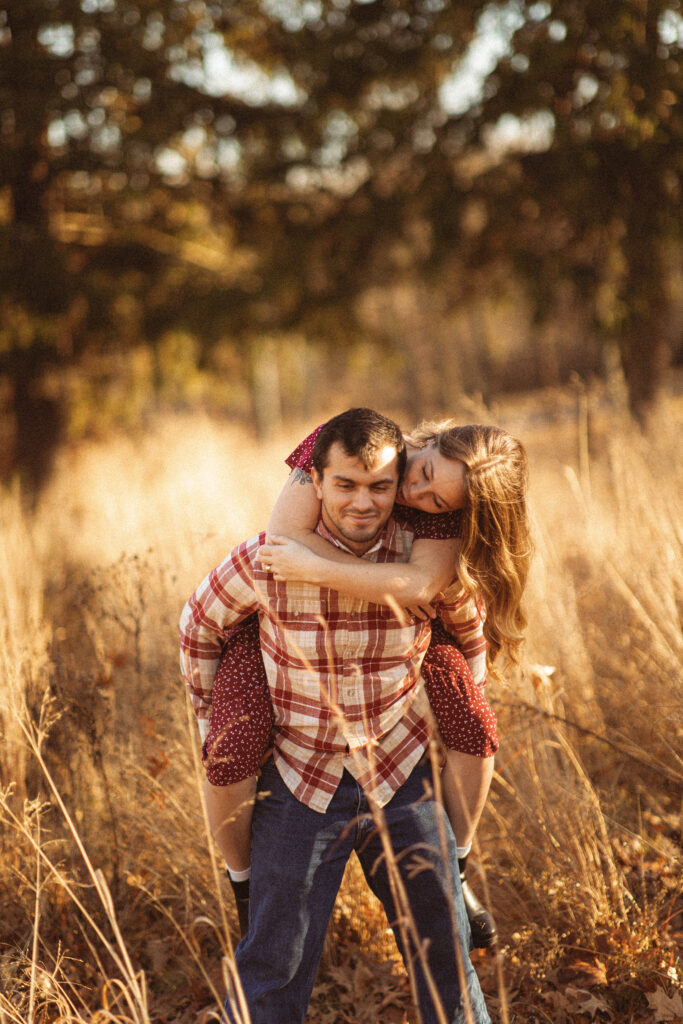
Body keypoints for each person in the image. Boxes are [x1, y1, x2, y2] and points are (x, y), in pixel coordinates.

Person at [180, 409, 492, 1024]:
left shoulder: (420, 564)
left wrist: (457, 702)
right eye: (345, 485)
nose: (363, 502)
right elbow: (198, 628)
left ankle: (454, 879)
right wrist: (209, 719)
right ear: (314, 481)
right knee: (274, 962)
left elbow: (469, 631)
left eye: (380, 486)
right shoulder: (267, 562)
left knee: (446, 957)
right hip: (299, 780)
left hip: (399, 773)